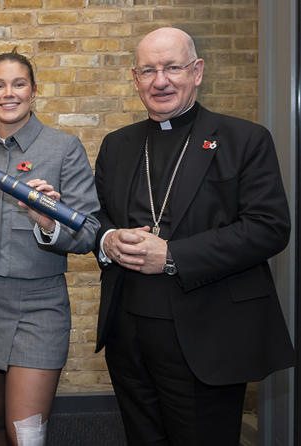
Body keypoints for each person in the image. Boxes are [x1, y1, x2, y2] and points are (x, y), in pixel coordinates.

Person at [94, 27, 294, 444]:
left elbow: (269, 227)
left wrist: (172, 255)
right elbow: (100, 219)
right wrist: (108, 239)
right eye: (148, 70)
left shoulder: (245, 140)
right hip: (128, 335)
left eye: (172, 68)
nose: (160, 80)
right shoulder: (117, 145)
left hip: (208, 334)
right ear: (135, 78)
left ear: (197, 71)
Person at [0, 50, 100, 446]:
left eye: (19, 84)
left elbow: (89, 231)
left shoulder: (63, 148)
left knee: (27, 433)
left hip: (40, 306)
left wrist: (48, 220)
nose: (9, 93)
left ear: (35, 91)